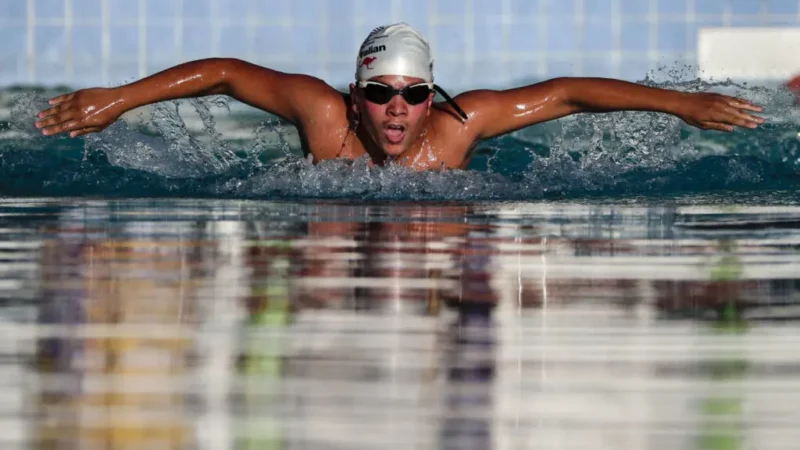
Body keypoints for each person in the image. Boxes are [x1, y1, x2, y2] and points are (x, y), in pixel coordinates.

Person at [35, 23, 765, 171]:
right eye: (380, 93)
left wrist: (681, 105)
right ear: (355, 97)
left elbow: (570, 93)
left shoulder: (457, 127)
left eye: (414, 93)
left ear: (432, 96)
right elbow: (226, 71)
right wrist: (117, 99)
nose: (396, 108)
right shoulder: (326, 120)